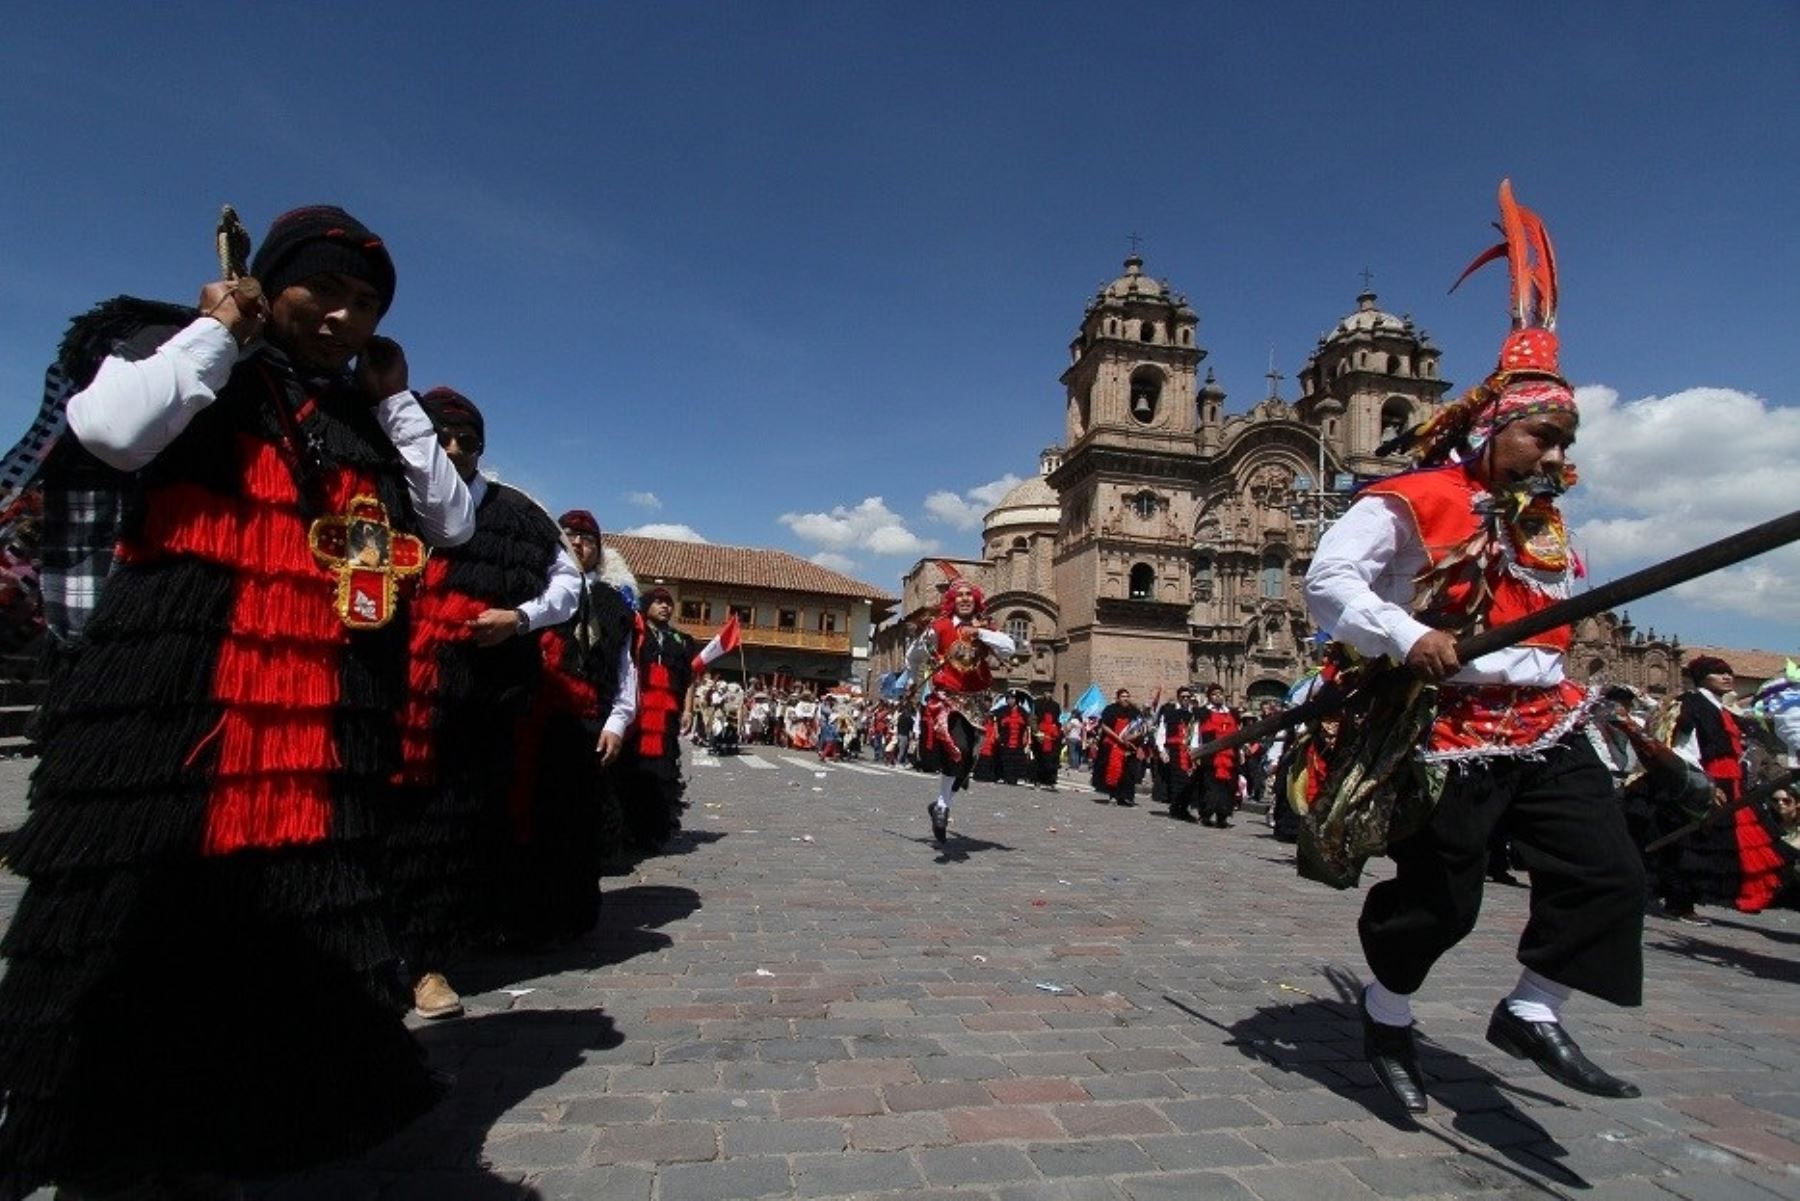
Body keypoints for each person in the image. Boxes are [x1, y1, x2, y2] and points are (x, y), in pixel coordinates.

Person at [0, 206, 476, 1196]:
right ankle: (108, 1115)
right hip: (175, 686)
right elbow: (113, 430)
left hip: (311, 705)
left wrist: (395, 403)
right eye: (326, 293)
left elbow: (449, 519)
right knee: (140, 900)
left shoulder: (360, 413)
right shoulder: (183, 354)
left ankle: (266, 1113)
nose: (344, 319)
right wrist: (220, 330)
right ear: (270, 281)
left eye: (367, 306)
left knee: (288, 919)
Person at [1303, 181, 1645, 1114]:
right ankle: (1388, 1010)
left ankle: (1534, 1007)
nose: (1555, 454)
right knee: (1442, 902)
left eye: (1566, 439)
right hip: (1449, 726)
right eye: (1544, 433)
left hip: (1546, 723)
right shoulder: (1414, 498)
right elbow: (1328, 583)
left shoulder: (1550, 525)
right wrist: (1409, 635)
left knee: (1610, 876)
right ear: (1496, 425)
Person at [904, 579, 1016, 842]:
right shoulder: (939, 627)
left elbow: (1009, 648)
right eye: (960, 595)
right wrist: (911, 679)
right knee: (958, 749)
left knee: (969, 761)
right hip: (948, 699)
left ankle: (940, 805)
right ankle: (943, 807)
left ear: (976, 600)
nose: (965, 599)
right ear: (953, 601)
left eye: (969, 595)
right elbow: (914, 655)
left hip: (976, 700)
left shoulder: (986, 628)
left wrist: (980, 634)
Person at [618, 587, 695, 856]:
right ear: (646, 605)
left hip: (666, 719)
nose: (665, 607)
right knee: (632, 771)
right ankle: (628, 830)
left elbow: (688, 680)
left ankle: (654, 831)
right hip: (637, 717)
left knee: (663, 773)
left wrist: (688, 709)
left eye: (669, 603)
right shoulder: (635, 633)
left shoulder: (681, 640)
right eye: (659, 602)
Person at [1190, 685, 1240, 827]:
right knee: (1209, 786)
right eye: (1214, 694)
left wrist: (1241, 752)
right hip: (1210, 756)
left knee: (1227, 787)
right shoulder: (1202, 713)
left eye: (1220, 694)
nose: (1218, 696)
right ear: (1209, 697)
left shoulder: (1233, 713)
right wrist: (1195, 753)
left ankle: (1222, 815)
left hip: (1230, 756)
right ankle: (1206, 814)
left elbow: (1239, 733)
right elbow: (1195, 733)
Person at [1090, 688, 1144, 806]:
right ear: (1118, 698)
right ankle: (1113, 795)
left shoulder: (1134, 711)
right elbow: (1105, 726)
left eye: (1127, 696)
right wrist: (1119, 739)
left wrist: (1131, 738)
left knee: (1128, 773)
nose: (1125, 699)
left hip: (1129, 745)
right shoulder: (1110, 710)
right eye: (1123, 696)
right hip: (1113, 744)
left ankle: (1125, 797)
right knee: (1113, 770)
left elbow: (1140, 728)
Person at [1153, 687, 1201, 821]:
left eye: (1187, 697)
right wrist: (1162, 750)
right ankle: (1177, 808)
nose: (1185, 699)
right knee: (1178, 780)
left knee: (1189, 780)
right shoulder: (1169, 712)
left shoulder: (1194, 715)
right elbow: (1162, 731)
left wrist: (1196, 751)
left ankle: (1183, 807)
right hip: (1174, 751)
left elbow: (1196, 734)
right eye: (1183, 697)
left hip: (1189, 752)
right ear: (1179, 697)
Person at [1032, 692, 1063, 788]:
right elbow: (1033, 719)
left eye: (1050, 692)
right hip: (1041, 734)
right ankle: (1038, 779)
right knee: (1039, 759)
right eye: (1046, 692)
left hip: (1052, 736)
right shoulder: (1037, 703)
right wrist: (1037, 732)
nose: (1048, 694)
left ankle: (1050, 780)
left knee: (1052, 759)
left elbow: (1057, 719)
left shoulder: (1056, 705)